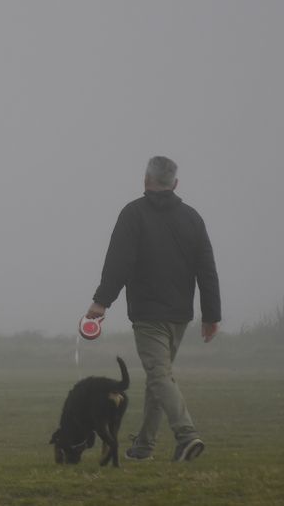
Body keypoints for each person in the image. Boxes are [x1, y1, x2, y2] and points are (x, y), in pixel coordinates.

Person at [86, 155, 220, 462]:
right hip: (179, 316)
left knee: (159, 378)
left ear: (146, 180)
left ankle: (186, 435)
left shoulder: (133, 214)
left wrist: (101, 302)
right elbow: (207, 269)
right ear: (175, 183)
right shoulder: (192, 218)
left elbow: (119, 263)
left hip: (148, 315)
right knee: (158, 378)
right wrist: (211, 315)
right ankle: (143, 448)